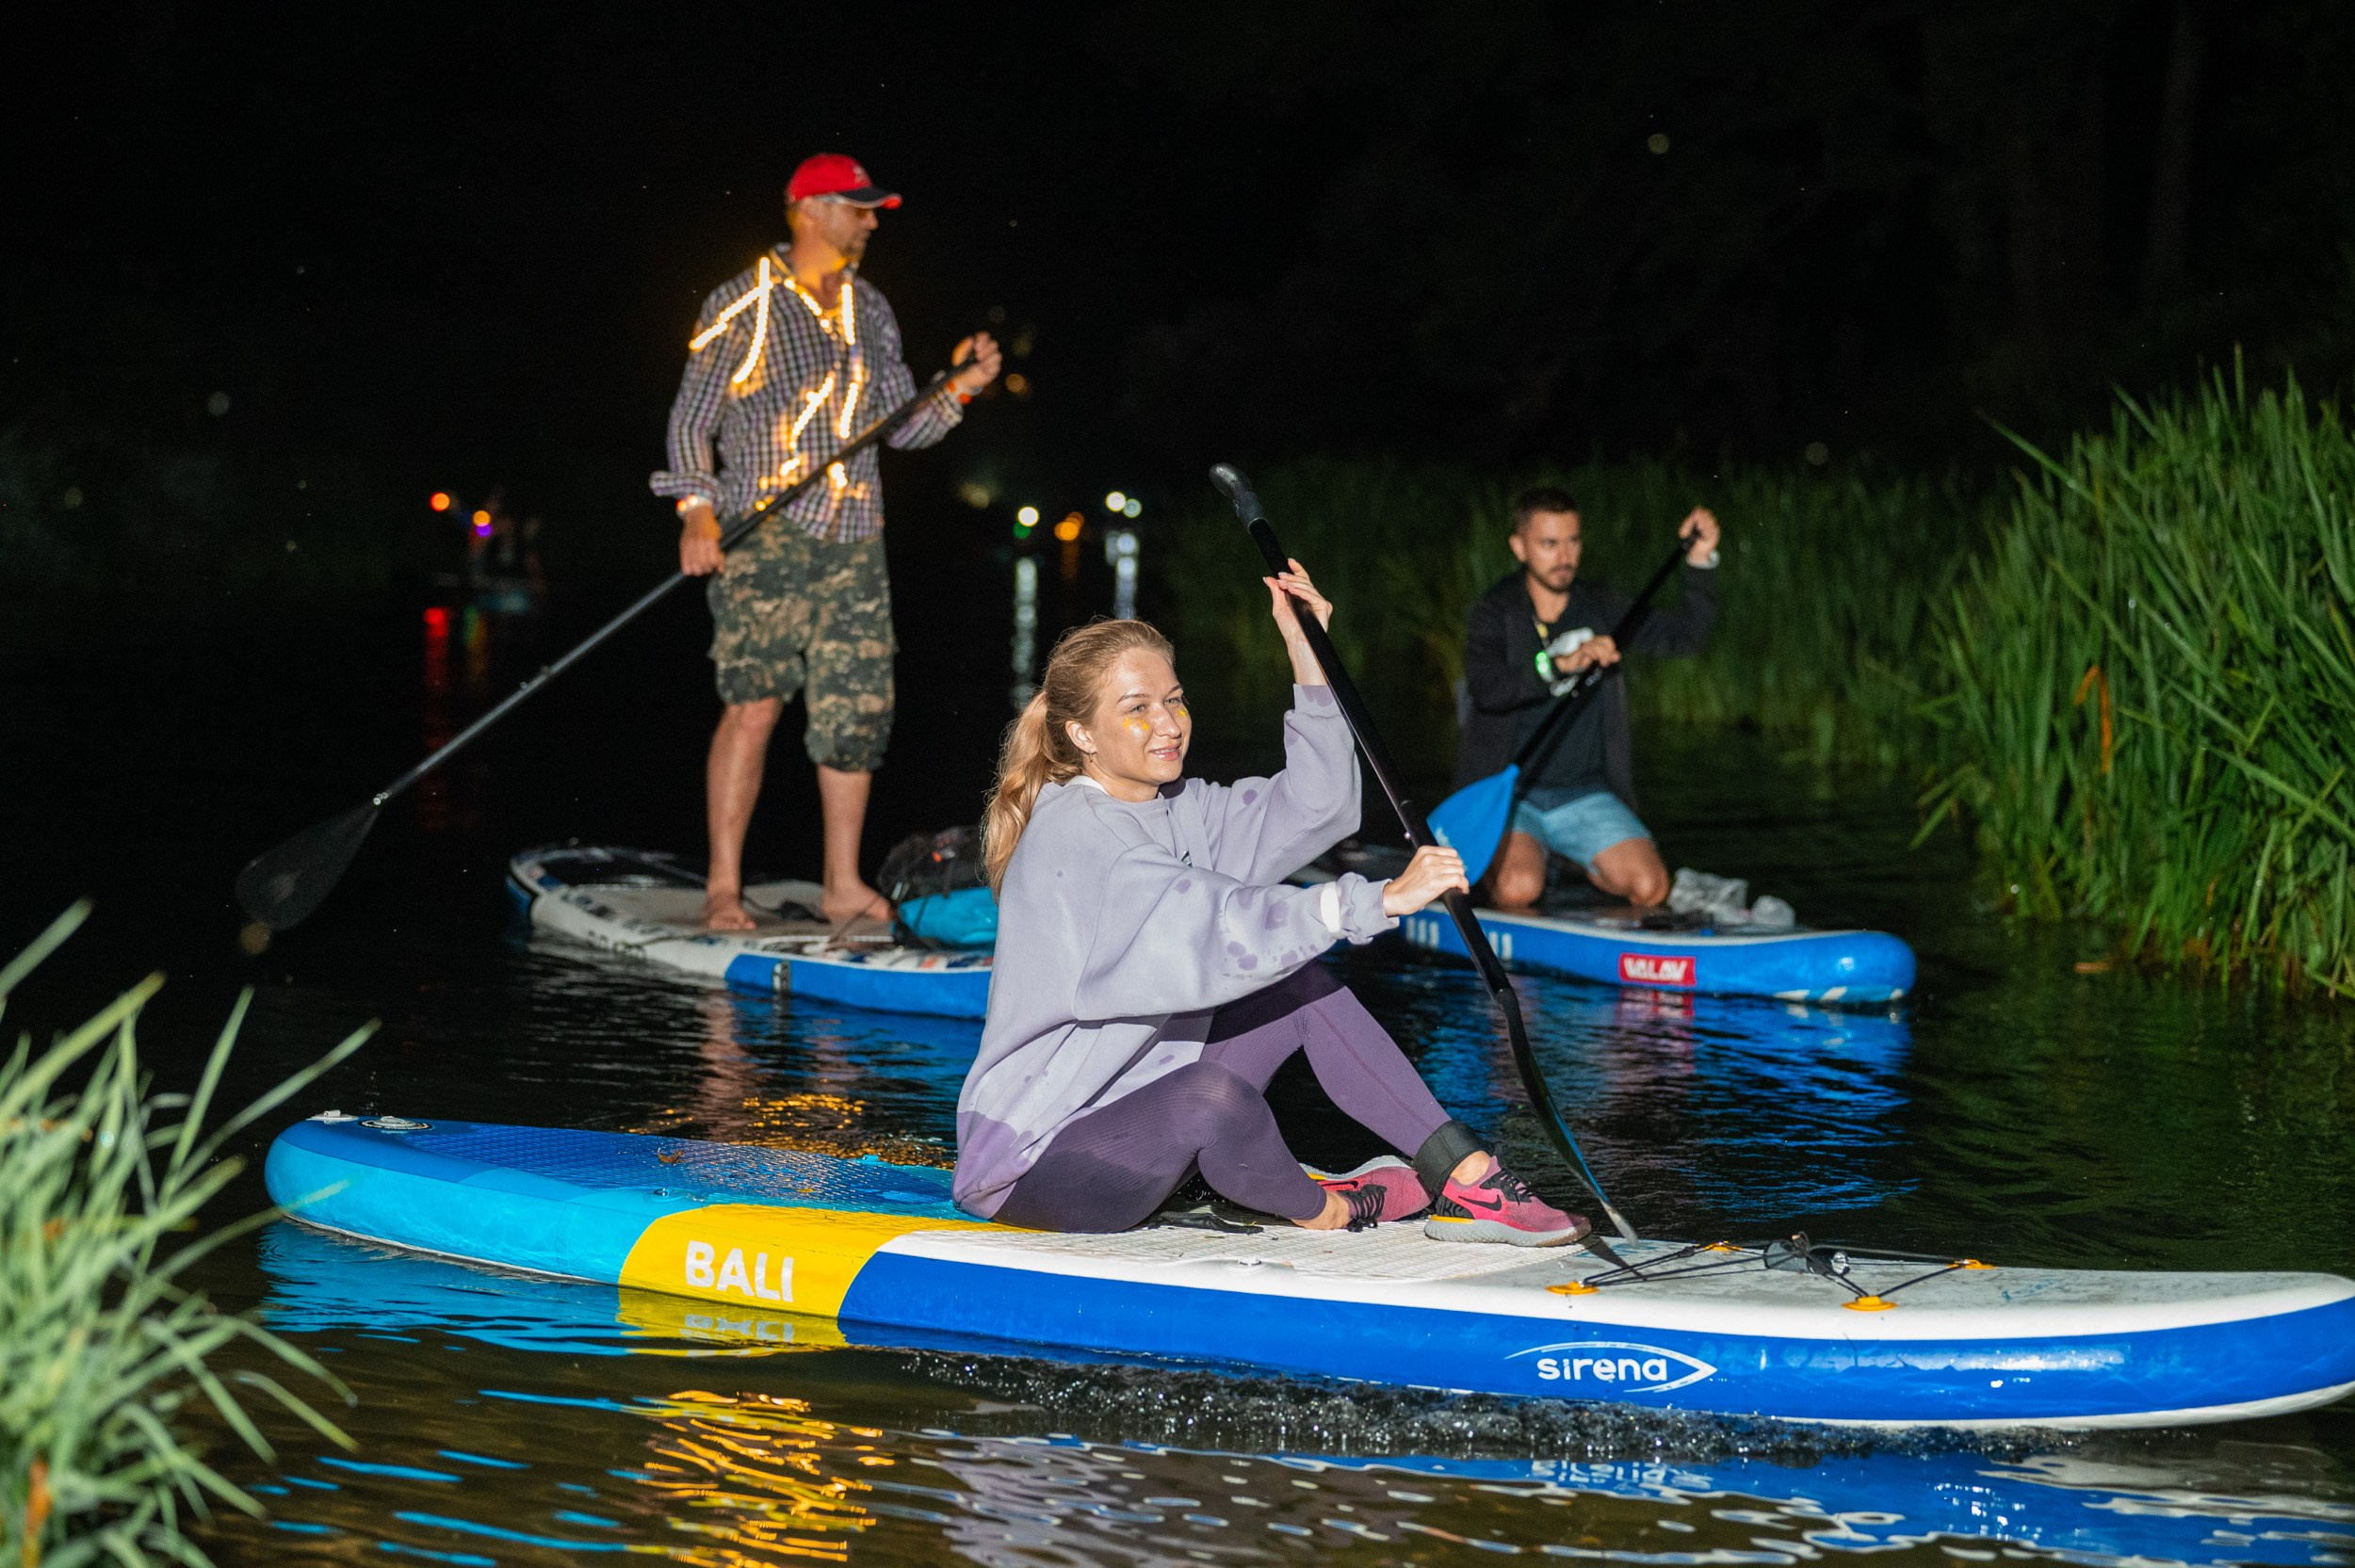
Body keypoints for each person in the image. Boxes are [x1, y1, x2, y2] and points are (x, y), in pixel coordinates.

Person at [952, 569, 1589, 1246]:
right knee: (1212, 1100)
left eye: (1175, 700)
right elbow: (1215, 927)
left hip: (1141, 1106)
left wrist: (1306, 653)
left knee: (1297, 984)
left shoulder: (1174, 807)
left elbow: (1317, 807)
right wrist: (1380, 898)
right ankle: (1327, 1209)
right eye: (1137, 708)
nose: (1168, 725)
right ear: (1080, 733)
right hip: (1036, 1162)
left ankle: (1465, 1176)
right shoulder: (1078, 837)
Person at [651, 153, 1002, 929]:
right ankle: (721, 888)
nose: (873, 221)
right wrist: (697, 513)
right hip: (763, 532)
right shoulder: (743, 301)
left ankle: (841, 883)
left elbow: (901, 425)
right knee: (754, 704)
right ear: (809, 209)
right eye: (859, 207)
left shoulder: (872, 308)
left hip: (856, 538)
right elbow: (689, 419)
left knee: (855, 711)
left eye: (875, 209)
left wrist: (960, 387)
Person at [1456, 488, 1721, 911]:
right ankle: (1517, 863)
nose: (1564, 556)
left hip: (1584, 793)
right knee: (1518, 889)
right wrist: (1559, 665)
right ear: (1519, 547)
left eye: (1572, 541)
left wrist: (1700, 559)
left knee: (1652, 888)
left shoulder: (1600, 606)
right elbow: (1488, 689)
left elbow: (1683, 637)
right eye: (1548, 543)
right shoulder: (1495, 611)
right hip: (1509, 795)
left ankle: (1575, 863)